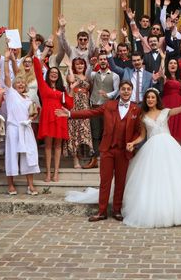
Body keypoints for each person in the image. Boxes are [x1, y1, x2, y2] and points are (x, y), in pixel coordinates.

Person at [121, 89, 181, 228]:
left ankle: (180, 208)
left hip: (168, 146)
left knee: (174, 175)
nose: (150, 99)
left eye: (152, 97)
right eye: (148, 97)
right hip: (152, 149)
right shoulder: (143, 117)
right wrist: (133, 142)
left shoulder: (165, 112)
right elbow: (143, 136)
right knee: (154, 178)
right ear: (146, 100)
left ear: (157, 99)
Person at [57, 80, 143, 222]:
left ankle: (117, 210)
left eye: (128, 89)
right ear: (119, 91)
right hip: (108, 149)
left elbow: (138, 130)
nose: (126, 91)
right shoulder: (109, 105)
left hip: (123, 151)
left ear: (132, 91)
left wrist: (132, 143)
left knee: (120, 182)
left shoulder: (136, 109)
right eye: (123, 89)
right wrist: (71, 114)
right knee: (105, 181)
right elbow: (91, 112)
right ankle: (102, 211)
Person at [3, 51, 40, 195]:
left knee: (28, 155)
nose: (20, 84)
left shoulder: (28, 100)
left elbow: (33, 113)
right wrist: (6, 61)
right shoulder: (11, 94)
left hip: (25, 128)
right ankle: (10, 185)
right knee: (11, 155)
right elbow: (7, 76)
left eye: (22, 83)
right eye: (17, 82)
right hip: (13, 128)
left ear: (25, 86)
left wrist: (30, 119)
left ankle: (30, 185)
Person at [32, 56, 73, 182]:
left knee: (58, 146)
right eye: (52, 72)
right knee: (48, 146)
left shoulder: (62, 90)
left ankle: (56, 173)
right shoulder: (43, 86)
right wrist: (35, 50)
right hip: (48, 117)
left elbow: (70, 105)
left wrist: (71, 88)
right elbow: (38, 70)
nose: (54, 74)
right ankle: (48, 173)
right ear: (48, 74)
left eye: (56, 73)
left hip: (60, 117)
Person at [84, 52, 119, 169]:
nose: (103, 61)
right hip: (95, 107)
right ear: (99, 61)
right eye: (101, 59)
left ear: (107, 61)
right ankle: (94, 159)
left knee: (107, 132)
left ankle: (106, 158)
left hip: (108, 108)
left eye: (105, 59)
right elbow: (87, 76)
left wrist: (107, 95)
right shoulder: (94, 74)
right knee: (95, 133)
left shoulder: (114, 76)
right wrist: (90, 65)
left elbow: (117, 91)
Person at [65, 57, 94, 169]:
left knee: (85, 132)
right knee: (75, 132)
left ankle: (87, 158)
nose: (80, 66)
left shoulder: (88, 77)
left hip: (85, 106)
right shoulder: (71, 75)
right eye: (77, 64)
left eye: (81, 64)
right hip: (74, 106)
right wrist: (69, 67)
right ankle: (75, 160)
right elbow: (71, 80)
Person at [161, 56, 181, 145]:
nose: (173, 65)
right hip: (167, 105)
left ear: (177, 66)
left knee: (178, 130)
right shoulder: (164, 77)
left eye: (175, 63)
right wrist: (163, 58)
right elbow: (161, 70)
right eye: (170, 63)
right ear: (167, 65)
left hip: (179, 106)